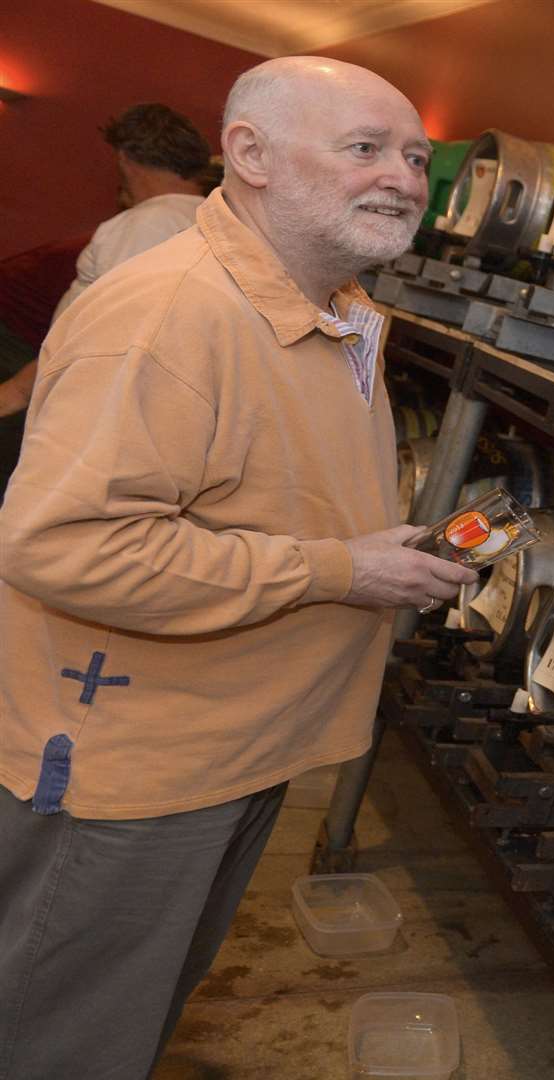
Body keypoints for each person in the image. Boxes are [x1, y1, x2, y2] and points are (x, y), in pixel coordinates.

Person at [0, 57, 477, 1078]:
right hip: (137, 771)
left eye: (414, 156)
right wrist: (336, 571)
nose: (402, 176)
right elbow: (66, 544)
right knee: (60, 1038)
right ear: (250, 155)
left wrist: (375, 553)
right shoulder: (171, 314)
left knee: (128, 1021)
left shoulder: (339, 308)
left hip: (239, 743)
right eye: (363, 149)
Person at [0, 104, 214, 424]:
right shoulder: (212, 220)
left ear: (125, 158)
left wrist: (19, 390)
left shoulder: (148, 221)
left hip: (75, 396)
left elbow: (105, 333)